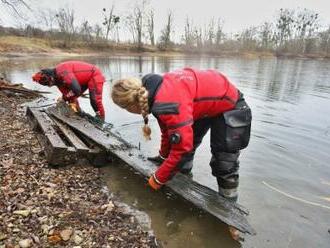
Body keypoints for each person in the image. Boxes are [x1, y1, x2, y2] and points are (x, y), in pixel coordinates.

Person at [111, 68, 252, 202]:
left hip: (230, 104)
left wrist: (157, 180)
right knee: (187, 146)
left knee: (224, 163)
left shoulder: (168, 104)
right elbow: (168, 133)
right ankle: (183, 182)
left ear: (131, 106)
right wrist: (162, 157)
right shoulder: (152, 93)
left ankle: (229, 209)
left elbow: (181, 150)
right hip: (204, 104)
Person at [32, 61, 106, 120]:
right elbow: (70, 96)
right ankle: (79, 113)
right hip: (81, 81)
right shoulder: (57, 82)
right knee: (70, 99)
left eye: (48, 83)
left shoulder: (62, 71)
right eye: (47, 85)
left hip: (94, 74)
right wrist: (67, 101)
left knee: (94, 101)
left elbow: (76, 90)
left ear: (50, 76)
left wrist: (64, 98)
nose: (50, 85)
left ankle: (101, 120)